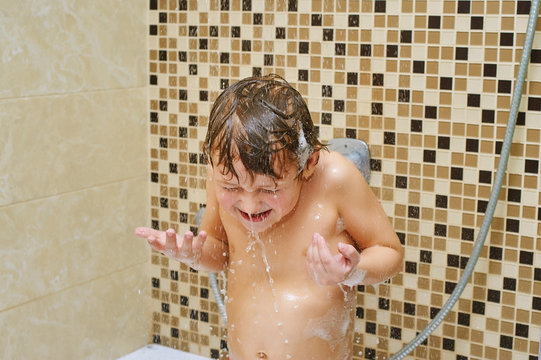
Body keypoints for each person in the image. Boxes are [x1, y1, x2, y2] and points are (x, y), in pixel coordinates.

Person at [135, 74, 403, 360]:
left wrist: (354, 270)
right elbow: (222, 253)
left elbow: (391, 253)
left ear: (308, 164)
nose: (249, 205)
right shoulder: (220, 173)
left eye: (268, 189)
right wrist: (195, 254)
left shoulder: (335, 179)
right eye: (231, 187)